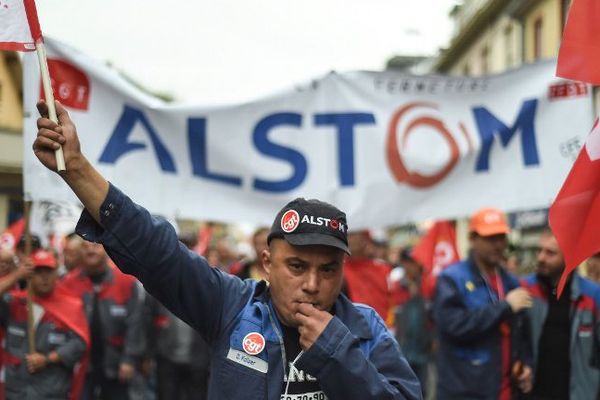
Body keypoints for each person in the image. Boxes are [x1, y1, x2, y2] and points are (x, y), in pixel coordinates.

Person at [33, 100, 422, 399]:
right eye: (297, 266)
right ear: (267, 263)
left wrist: (338, 353)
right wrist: (77, 168)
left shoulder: (366, 329)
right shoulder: (232, 306)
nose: (311, 284)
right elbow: (156, 251)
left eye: (328, 270)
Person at [433, 207, 533, 400]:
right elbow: (453, 325)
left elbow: (522, 333)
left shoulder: (511, 282)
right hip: (466, 390)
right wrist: (505, 307)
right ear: (472, 239)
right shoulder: (452, 279)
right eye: (490, 238)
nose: (497, 245)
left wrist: (526, 364)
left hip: (506, 390)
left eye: (501, 237)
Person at [60, 240, 145, 400]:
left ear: (106, 248)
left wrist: (129, 359)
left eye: (95, 245)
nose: (90, 251)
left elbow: (135, 323)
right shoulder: (68, 283)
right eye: (85, 247)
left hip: (116, 365)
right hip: (80, 366)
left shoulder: (126, 282)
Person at [521, 228, 600, 400]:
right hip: (533, 394)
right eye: (539, 250)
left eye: (550, 253)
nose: (541, 258)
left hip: (577, 394)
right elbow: (516, 339)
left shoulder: (592, 295)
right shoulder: (526, 289)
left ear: (569, 257)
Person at [0, 249, 89, 400]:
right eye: (38, 271)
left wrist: (47, 359)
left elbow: (79, 343)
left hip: (51, 391)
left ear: (56, 274)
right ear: (29, 274)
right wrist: (17, 275)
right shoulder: (15, 303)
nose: (44, 277)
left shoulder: (71, 305)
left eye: (48, 271)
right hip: (17, 392)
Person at [390, 248, 433, 396]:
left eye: (414, 262)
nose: (411, 266)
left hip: (423, 349)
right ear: (402, 263)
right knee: (403, 389)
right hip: (402, 348)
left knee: (424, 390)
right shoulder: (395, 286)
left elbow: (433, 316)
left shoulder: (428, 285)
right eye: (407, 262)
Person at [343, 230, 392, 320]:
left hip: (381, 327)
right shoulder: (338, 270)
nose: (349, 238)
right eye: (348, 234)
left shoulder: (382, 268)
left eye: (352, 234)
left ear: (366, 239)